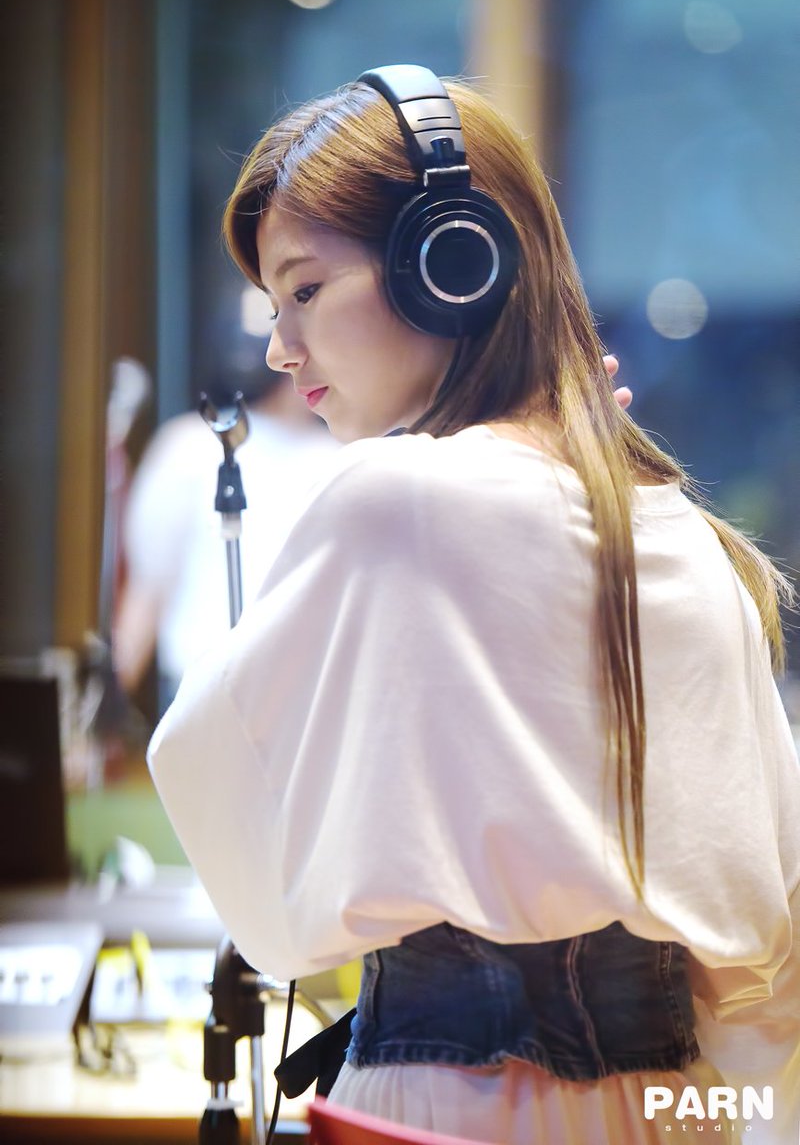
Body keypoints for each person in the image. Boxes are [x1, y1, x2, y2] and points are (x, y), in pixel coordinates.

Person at [147, 66, 799, 1144]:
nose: (278, 347)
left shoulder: (389, 500)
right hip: (672, 1111)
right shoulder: (683, 531)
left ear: (451, 264)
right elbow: (762, 981)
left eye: (304, 291)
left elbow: (213, 786)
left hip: (447, 1103)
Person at [114, 344, 338, 710]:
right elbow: (149, 585)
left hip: (303, 695)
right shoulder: (189, 445)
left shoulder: (338, 454)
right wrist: (112, 698)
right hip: (201, 688)